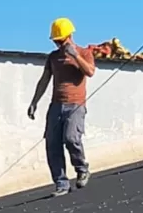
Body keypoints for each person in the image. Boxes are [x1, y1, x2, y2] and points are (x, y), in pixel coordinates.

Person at [27, 18, 96, 196]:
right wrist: (34, 102)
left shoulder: (84, 52)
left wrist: (75, 56)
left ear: (70, 36)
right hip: (56, 105)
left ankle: (82, 169)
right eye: (56, 41)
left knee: (71, 138)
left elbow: (90, 71)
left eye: (61, 40)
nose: (59, 44)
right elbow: (44, 80)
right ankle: (61, 184)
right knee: (52, 143)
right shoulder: (53, 57)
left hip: (76, 105)